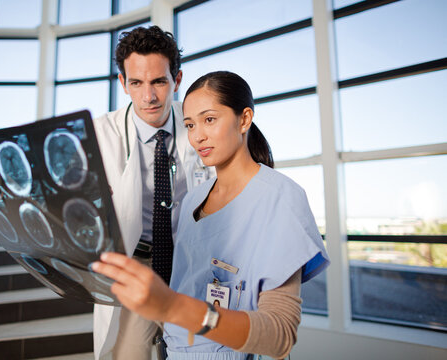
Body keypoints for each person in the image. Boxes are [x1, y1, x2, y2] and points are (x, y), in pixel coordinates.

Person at [92, 71, 330, 359]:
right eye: (190, 124)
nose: (198, 136)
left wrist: (174, 307)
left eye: (210, 119)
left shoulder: (280, 198)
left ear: (244, 120)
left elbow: (280, 336)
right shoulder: (193, 201)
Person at [91, 26, 212, 360]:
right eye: (136, 83)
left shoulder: (200, 126)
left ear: (177, 79)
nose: (149, 96)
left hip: (193, 261)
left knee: (204, 350)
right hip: (138, 261)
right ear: (122, 83)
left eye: (159, 81)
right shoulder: (102, 134)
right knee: (129, 353)